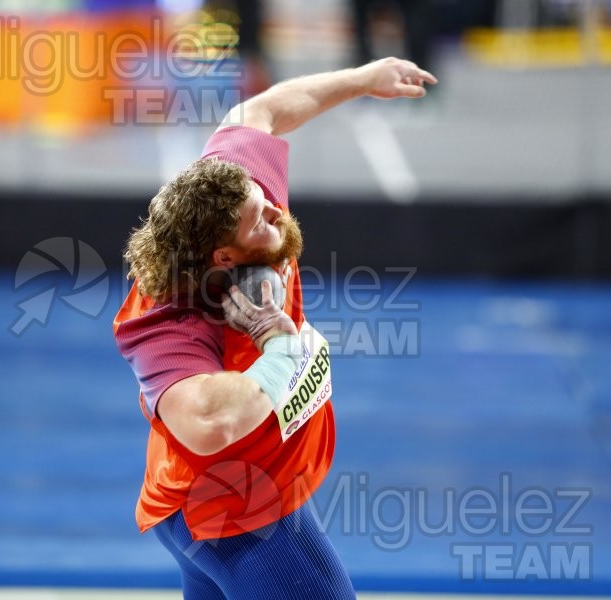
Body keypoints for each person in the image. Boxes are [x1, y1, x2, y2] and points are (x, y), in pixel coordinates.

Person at [114, 57, 437, 599]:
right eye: (259, 220)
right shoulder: (164, 318)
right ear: (222, 254)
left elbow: (260, 110)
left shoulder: (237, 190)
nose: (276, 214)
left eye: (266, 201)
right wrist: (282, 346)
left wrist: (361, 79)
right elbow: (209, 421)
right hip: (234, 515)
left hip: (240, 498)